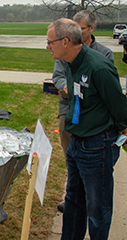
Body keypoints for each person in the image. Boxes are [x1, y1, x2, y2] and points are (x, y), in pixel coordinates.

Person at [46, 18, 127, 240]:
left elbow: (118, 104)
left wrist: (123, 129)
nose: (47, 47)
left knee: (97, 209)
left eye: (49, 42)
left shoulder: (98, 67)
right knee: (73, 200)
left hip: (98, 147)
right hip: (77, 143)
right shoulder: (71, 64)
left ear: (65, 42)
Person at [52, 9, 114, 213]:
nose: (77, 31)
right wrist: (65, 87)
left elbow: (109, 92)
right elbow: (58, 76)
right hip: (69, 110)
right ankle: (74, 197)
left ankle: (90, 198)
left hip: (93, 118)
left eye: (82, 28)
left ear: (92, 29)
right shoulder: (63, 50)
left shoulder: (103, 54)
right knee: (72, 156)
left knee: (94, 165)